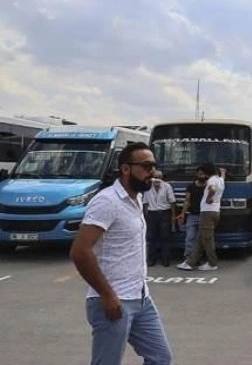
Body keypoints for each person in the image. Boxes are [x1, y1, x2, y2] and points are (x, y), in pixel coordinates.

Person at [69, 142, 172, 364]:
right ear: (126, 169)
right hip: (113, 301)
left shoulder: (137, 198)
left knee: (160, 358)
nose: (152, 172)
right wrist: (107, 295)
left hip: (141, 297)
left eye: (154, 166)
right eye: (146, 166)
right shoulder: (107, 201)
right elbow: (80, 251)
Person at [177, 164, 225, 271]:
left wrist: (208, 198)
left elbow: (212, 189)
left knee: (208, 240)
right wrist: (223, 172)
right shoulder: (220, 180)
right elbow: (222, 177)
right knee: (200, 239)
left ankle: (212, 264)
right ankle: (190, 262)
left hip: (207, 212)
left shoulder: (212, 180)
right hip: (215, 211)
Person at [142, 170, 177, 267]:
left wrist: (173, 216)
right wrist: (145, 216)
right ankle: (151, 260)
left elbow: (172, 202)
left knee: (165, 237)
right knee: (151, 237)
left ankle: (165, 259)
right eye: (155, 177)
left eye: (159, 177)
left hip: (164, 213)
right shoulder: (148, 187)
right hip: (152, 214)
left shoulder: (167, 186)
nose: (157, 180)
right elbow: (145, 203)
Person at [176, 166, 208, 260]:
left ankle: (200, 258)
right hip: (192, 215)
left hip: (204, 216)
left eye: (204, 174)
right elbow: (187, 201)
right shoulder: (191, 186)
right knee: (190, 237)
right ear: (197, 175)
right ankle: (188, 258)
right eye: (200, 174)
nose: (202, 176)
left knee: (203, 239)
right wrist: (182, 214)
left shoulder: (209, 187)